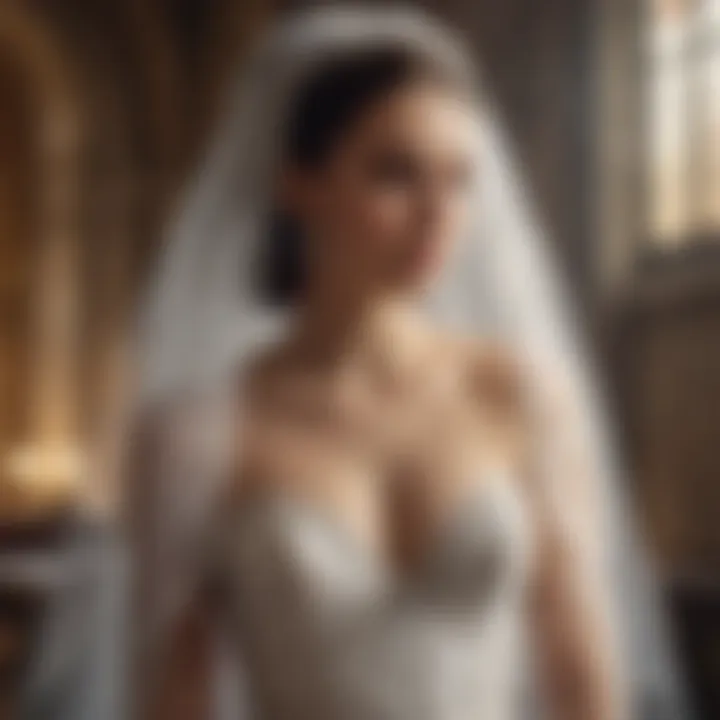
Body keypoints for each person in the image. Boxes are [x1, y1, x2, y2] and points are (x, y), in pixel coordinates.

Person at [130, 7, 688, 720]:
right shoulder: (192, 435)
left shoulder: (520, 396)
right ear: (298, 184)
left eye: (458, 180)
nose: (439, 214)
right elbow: (176, 699)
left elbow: (581, 674)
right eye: (396, 174)